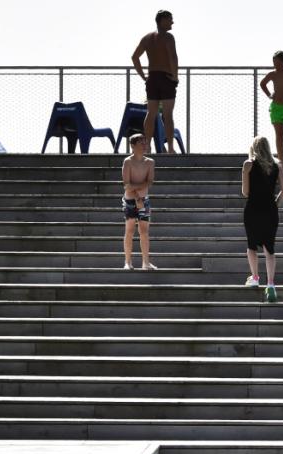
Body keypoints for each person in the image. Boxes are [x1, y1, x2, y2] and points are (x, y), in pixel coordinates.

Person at [240, 136, 283, 302]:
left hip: (253, 208)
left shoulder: (248, 164)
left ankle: (255, 277)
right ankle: (271, 284)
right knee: (270, 247)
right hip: (270, 210)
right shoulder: (277, 165)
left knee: (252, 245)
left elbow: (245, 192)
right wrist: (276, 203)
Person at [131, 9, 179, 153]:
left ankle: (147, 147)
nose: (172, 22)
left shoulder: (147, 38)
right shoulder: (168, 37)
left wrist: (144, 76)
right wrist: (175, 76)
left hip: (152, 78)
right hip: (166, 78)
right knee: (168, 114)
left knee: (151, 113)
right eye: (170, 19)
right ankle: (170, 148)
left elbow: (134, 57)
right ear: (162, 20)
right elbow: (173, 57)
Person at [121, 134, 157, 270]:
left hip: (144, 200)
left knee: (144, 231)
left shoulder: (150, 162)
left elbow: (149, 182)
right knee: (129, 230)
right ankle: (128, 262)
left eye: (145, 142)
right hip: (130, 200)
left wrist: (139, 194)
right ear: (133, 146)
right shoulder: (128, 162)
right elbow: (126, 185)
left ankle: (146, 262)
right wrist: (137, 197)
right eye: (141, 143)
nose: (144, 145)